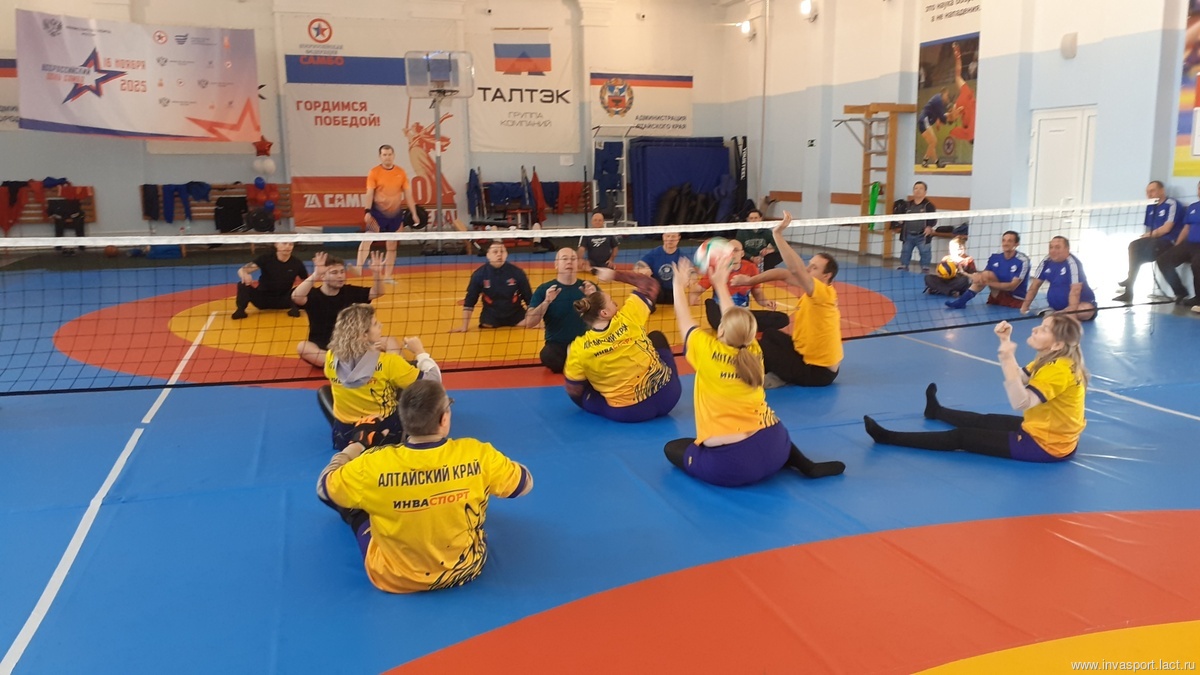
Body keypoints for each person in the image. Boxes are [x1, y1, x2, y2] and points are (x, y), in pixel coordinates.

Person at [316, 379, 532, 593]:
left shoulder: (371, 465)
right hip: (465, 568)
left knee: (354, 501)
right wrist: (483, 472)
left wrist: (356, 445)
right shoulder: (478, 454)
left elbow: (324, 488)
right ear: (444, 418)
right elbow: (524, 484)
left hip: (394, 578)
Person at [664, 258, 845, 486]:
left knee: (673, 448)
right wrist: (720, 284)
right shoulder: (753, 351)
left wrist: (678, 284)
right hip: (777, 447)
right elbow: (736, 320)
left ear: (721, 329)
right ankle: (805, 465)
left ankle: (749, 462)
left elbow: (684, 318)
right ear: (750, 334)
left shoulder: (706, 350)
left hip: (735, 465)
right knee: (759, 426)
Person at [864, 313, 1088, 463]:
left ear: (1057, 344)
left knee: (962, 437)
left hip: (1046, 446)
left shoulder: (1058, 369)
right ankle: (936, 411)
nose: (1036, 329)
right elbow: (1020, 377)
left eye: (1044, 329)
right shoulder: (1051, 357)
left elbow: (1021, 402)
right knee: (985, 420)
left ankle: (887, 437)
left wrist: (1007, 354)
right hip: (1046, 431)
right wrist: (1005, 342)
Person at [731, 212, 842, 388]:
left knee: (762, 349)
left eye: (814, 267)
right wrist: (749, 281)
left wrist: (777, 234)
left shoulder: (824, 294)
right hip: (804, 355)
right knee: (770, 334)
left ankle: (774, 376)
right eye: (809, 264)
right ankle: (780, 371)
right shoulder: (815, 290)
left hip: (818, 372)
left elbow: (796, 269)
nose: (808, 269)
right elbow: (783, 273)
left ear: (826, 276)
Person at [563, 266, 681, 422]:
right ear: (604, 313)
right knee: (656, 337)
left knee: (582, 385)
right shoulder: (628, 317)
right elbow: (650, 284)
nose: (617, 305)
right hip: (669, 397)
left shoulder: (578, 348)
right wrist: (613, 274)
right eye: (612, 302)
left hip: (630, 413)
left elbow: (573, 389)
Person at [319, 304, 441, 451]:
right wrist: (420, 352)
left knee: (324, 391)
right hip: (384, 433)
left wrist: (369, 352)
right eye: (376, 324)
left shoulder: (331, 356)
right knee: (410, 385)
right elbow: (435, 382)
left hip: (345, 436)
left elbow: (354, 372)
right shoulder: (389, 362)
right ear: (364, 335)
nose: (381, 325)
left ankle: (350, 429)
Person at [293, 251, 390, 368]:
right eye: (334, 272)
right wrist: (316, 274)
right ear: (323, 276)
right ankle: (342, 364)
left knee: (390, 341)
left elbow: (378, 292)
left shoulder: (350, 292)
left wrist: (376, 273)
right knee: (303, 347)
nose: (340, 276)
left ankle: (397, 367)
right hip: (324, 348)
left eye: (342, 272)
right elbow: (296, 297)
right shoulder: (314, 295)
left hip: (352, 345)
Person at [520, 248, 597, 373]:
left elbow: (607, 315)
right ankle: (578, 364)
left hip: (585, 343)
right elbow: (530, 322)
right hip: (558, 347)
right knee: (548, 356)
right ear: (556, 264)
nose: (569, 262)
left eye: (573, 259)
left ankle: (576, 364)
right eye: (564, 259)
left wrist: (593, 297)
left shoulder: (588, 287)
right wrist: (546, 302)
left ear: (578, 263)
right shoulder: (544, 289)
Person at [688, 237, 788, 332]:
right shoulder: (717, 268)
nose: (731, 253)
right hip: (721, 312)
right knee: (712, 307)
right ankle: (738, 326)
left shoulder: (751, 268)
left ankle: (738, 326)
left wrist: (765, 302)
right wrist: (693, 295)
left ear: (742, 253)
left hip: (742, 312)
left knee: (782, 319)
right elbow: (697, 289)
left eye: (735, 250)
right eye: (728, 250)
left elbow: (757, 292)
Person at [358, 144, 420, 282]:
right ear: (380, 157)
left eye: (390, 154)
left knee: (392, 245)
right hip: (377, 214)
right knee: (367, 240)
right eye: (384, 155)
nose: (387, 157)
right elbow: (369, 193)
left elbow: (408, 194)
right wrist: (367, 211)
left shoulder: (401, 172)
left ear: (394, 155)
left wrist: (414, 213)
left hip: (395, 215)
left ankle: (387, 276)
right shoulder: (374, 172)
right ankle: (358, 267)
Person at [1113, 181, 1182, 303]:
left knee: (1138, 257)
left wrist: (1149, 236)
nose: (1149, 194)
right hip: (1154, 241)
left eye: (1152, 191)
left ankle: (1129, 282)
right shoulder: (1150, 206)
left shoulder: (1172, 204)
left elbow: (1167, 228)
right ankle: (1129, 290)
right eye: (1147, 192)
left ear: (1162, 191)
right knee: (1134, 246)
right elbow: (1150, 228)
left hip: (1168, 241)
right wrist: (1147, 237)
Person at [451, 241, 532, 332]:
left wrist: (534, 321)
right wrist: (464, 327)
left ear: (506, 254)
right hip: (490, 319)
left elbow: (529, 299)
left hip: (518, 318)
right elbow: (470, 300)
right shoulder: (479, 274)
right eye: (495, 252)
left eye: (502, 251)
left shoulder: (517, 272)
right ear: (488, 255)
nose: (499, 254)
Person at [945, 230, 1030, 309]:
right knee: (985, 274)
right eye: (1004, 240)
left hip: (1015, 299)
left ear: (1016, 244)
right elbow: (984, 276)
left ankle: (960, 301)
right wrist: (974, 276)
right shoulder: (995, 257)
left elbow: (1012, 286)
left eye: (1009, 241)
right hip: (997, 295)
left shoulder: (1022, 261)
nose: (1005, 243)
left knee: (982, 277)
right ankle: (961, 302)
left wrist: (986, 282)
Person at [1020, 236, 1097, 321]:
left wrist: (1072, 316)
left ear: (1067, 249)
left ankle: (1059, 314)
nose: (1053, 250)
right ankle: (1056, 314)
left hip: (1079, 304)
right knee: (1027, 300)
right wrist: (1024, 308)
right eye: (1051, 247)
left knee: (1085, 311)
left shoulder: (1073, 264)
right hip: (1054, 306)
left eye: (1057, 247)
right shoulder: (1046, 261)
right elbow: (1034, 286)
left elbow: (1075, 291)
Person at [231, 242, 308, 320]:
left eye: (291, 244)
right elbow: (242, 270)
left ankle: (295, 308)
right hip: (262, 300)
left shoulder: (297, 263)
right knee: (242, 284)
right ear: (276, 244)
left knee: (305, 288)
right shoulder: (266, 258)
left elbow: (306, 281)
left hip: (284, 300)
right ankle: (240, 311)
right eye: (284, 243)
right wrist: (245, 275)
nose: (288, 246)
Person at [1155, 180, 1200, 306]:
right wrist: (1177, 245)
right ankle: (1180, 292)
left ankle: (1198, 298)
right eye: (1199, 188)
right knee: (1163, 260)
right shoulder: (1193, 207)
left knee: (1197, 264)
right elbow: (1186, 228)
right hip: (1189, 244)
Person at [633, 232, 686, 305]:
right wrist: (642, 269)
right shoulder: (655, 253)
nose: (670, 239)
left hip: (673, 294)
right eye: (668, 236)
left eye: (673, 236)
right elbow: (639, 264)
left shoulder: (682, 256)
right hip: (656, 291)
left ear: (678, 238)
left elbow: (691, 273)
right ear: (663, 237)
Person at [897, 182, 936, 272]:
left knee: (925, 252)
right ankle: (904, 265)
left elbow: (933, 219)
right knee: (905, 251)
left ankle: (925, 267)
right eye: (916, 188)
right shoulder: (907, 205)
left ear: (925, 192)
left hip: (922, 235)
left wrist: (929, 227)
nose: (918, 190)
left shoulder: (929, 206)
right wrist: (900, 221)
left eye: (921, 188)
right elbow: (900, 216)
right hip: (908, 234)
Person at [946, 42, 976, 147]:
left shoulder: (971, 129)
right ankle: (957, 54)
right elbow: (955, 130)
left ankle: (957, 55)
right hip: (965, 105)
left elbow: (958, 74)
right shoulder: (967, 133)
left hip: (968, 101)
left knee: (958, 76)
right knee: (957, 77)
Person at [918, 88, 950, 168]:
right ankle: (925, 160)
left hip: (923, 121)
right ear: (943, 94)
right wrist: (949, 116)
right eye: (947, 95)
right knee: (933, 141)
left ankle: (936, 162)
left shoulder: (937, 100)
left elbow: (938, 115)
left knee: (932, 143)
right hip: (924, 120)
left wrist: (939, 121)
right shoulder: (938, 101)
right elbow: (942, 117)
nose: (947, 98)